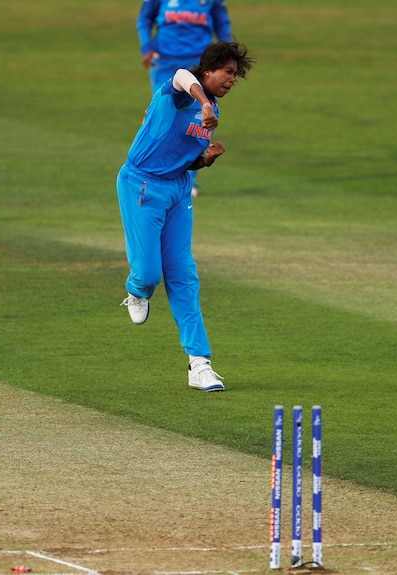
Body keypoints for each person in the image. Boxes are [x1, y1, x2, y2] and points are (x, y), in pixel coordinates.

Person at [116, 41, 254, 392]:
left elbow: (184, 158)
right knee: (148, 273)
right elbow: (179, 75)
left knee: (183, 275)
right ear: (207, 71)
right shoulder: (180, 92)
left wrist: (205, 159)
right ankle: (136, 291)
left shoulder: (213, 111)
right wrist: (204, 102)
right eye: (227, 72)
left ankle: (200, 364)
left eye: (235, 76)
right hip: (142, 186)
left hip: (178, 190)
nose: (231, 80)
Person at [136, 0, 232, 198]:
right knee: (162, 117)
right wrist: (147, 47)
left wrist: (226, 57)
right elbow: (145, 18)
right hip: (165, 61)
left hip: (200, 62)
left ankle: (188, 179)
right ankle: (151, 171)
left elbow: (222, 23)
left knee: (195, 120)